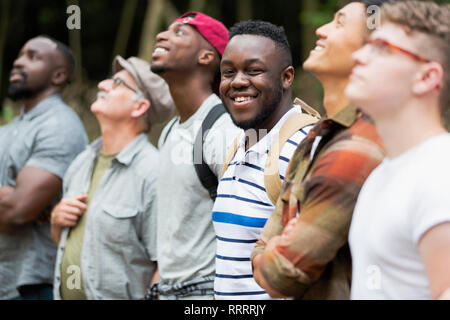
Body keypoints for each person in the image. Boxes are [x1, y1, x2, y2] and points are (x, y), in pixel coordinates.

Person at [250, 0, 388, 299]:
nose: (320, 30)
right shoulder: (315, 136)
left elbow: (281, 274)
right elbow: (264, 246)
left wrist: (278, 246)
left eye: (339, 23)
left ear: (373, 49)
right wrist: (278, 245)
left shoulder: (359, 145)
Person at [345, 0, 450, 300]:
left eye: (380, 47)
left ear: (427, 77)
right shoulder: (384, 173)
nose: (358, 56)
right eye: (365, 45)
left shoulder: (440, 176)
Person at [50, 56, 174, 300]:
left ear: (139, 107)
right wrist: (56, 222)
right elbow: (77, 249)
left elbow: (166, 266)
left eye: (117, 83)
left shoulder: (154, 172)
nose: (103, 85)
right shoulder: (81, 162)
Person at [212, 20, 319, 300]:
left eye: (254, 70)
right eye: (228, 72)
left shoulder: (304, 146)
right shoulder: (238, 145)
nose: (237, 82)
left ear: (287, 77)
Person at [149, 12, 240, 300]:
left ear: (206, 57)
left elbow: (246, 226)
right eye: (166, 30)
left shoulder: (223, 131)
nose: (161, 36)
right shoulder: (169, 131)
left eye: (179, 33)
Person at [0, 36, 88, 300]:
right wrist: (11, 196)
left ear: (58, 75)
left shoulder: (60, 126)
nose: (17, 62)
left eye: (32, 57)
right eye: (19, 55)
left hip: (33, 284)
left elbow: (16, 212)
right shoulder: (10, 128)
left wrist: (17, 201)